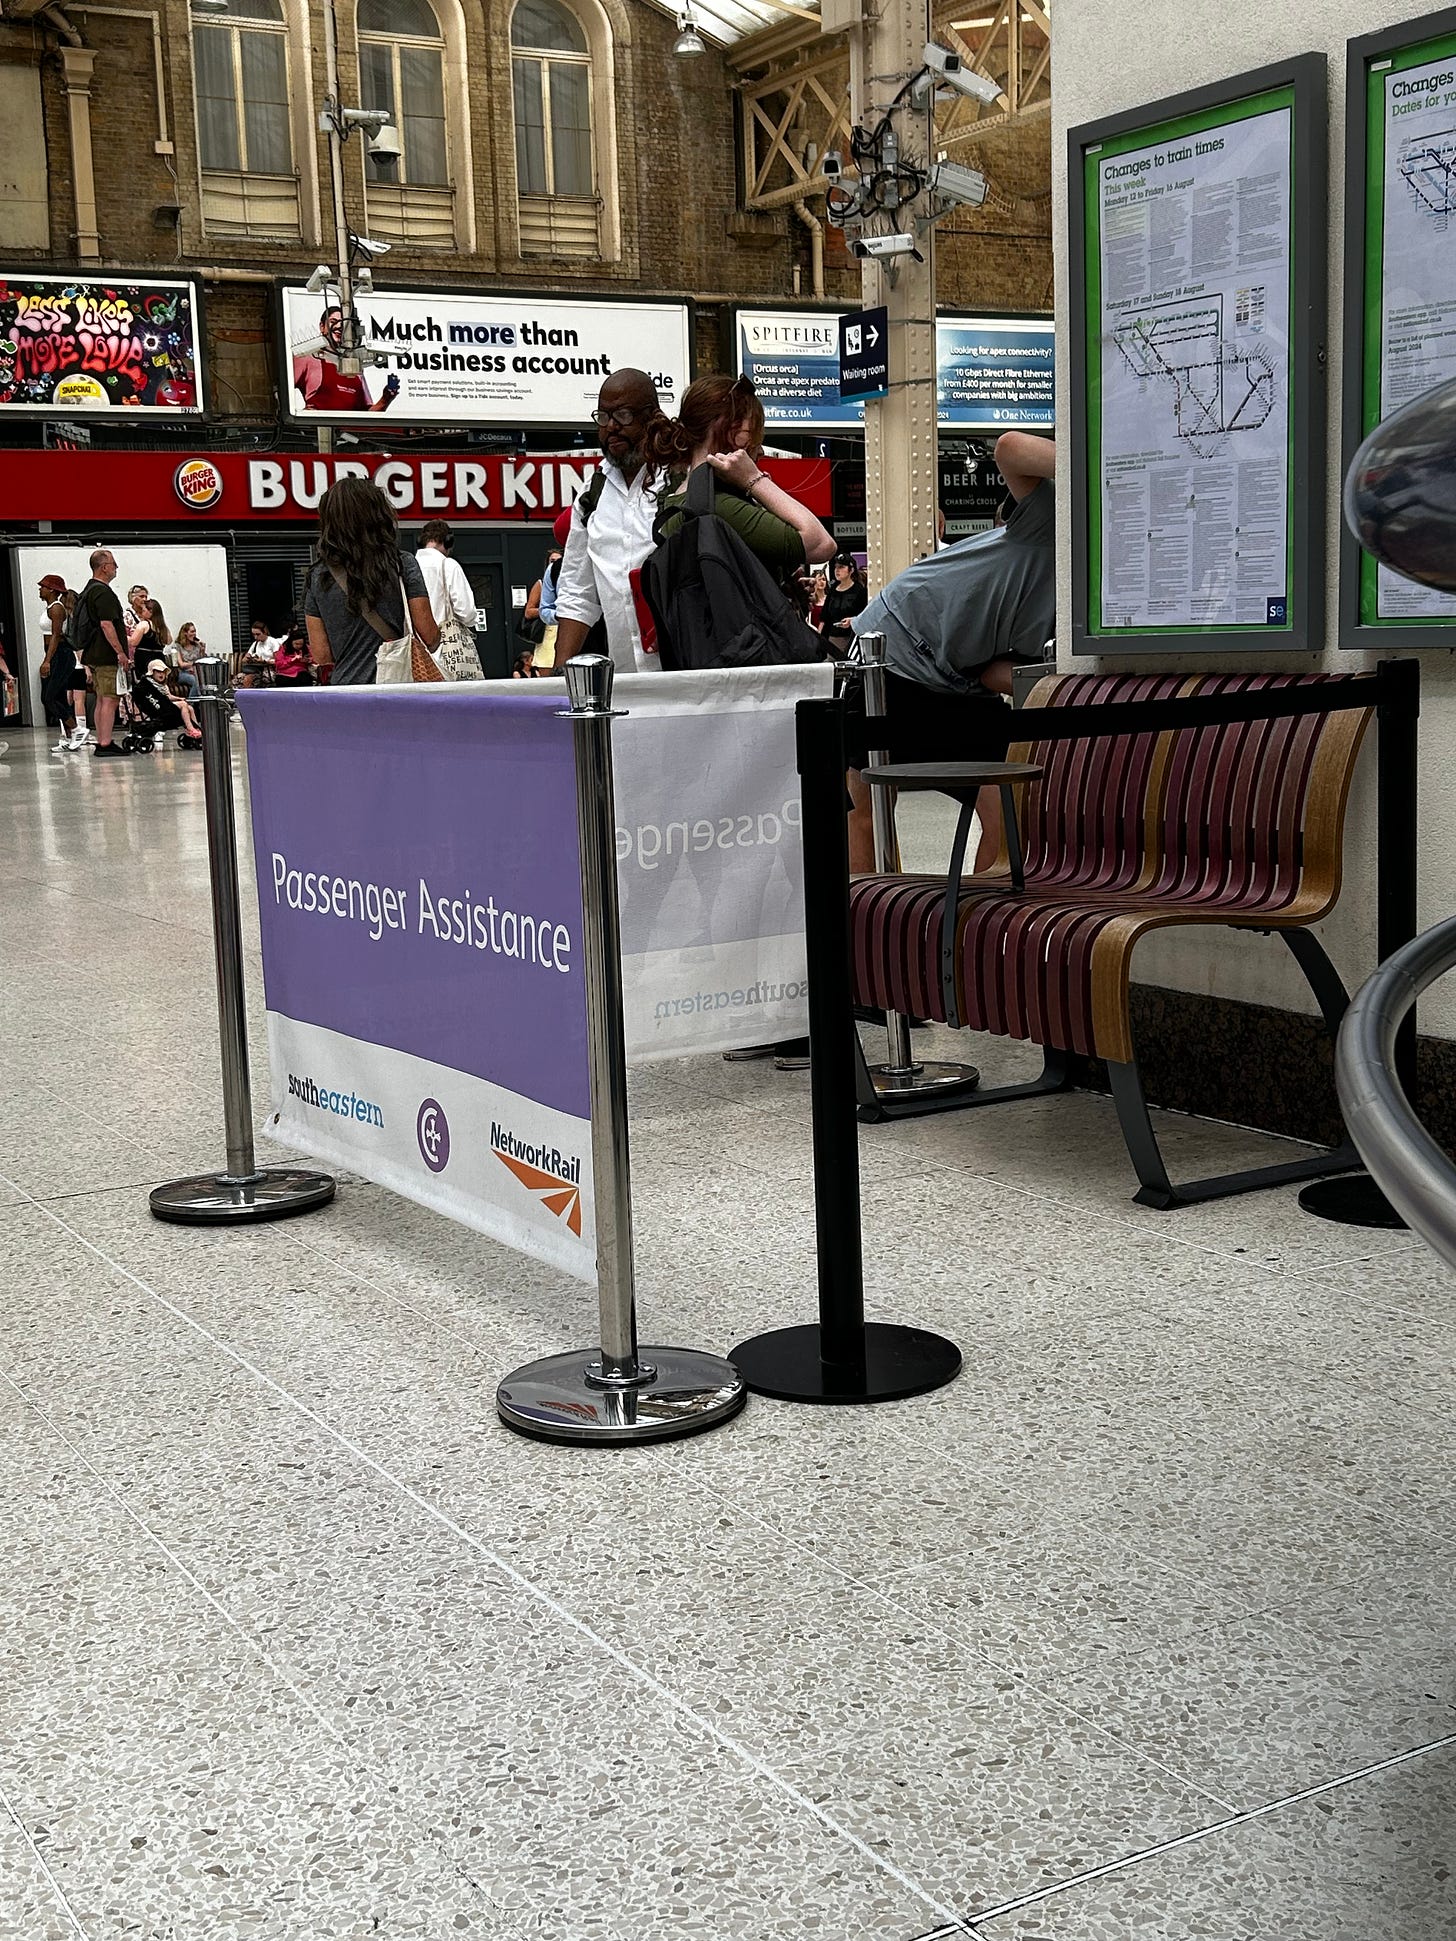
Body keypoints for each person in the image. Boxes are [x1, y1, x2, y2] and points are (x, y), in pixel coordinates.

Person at [852, 430, 1056, 870]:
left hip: (956, 679)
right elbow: (1008, 447)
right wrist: (1097, 473)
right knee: (866, 813)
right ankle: (869, 929)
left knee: (1011, 815)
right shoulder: (1060, 516)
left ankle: (976, 930)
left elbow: (992, 673)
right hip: (892, 645)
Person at [651, 374, 836, 589]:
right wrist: (755, 480)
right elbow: (822, 544)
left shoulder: (678, 496)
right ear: (727, 430)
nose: (759, 448)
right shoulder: (719, 506)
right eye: (751, 434)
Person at [553, 368, 673, 674]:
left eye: (623, 415)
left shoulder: (679, 480)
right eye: (603, 417)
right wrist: (559, 677)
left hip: (687, 677)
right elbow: (577, 593)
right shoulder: (592, 492)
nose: (611, 428)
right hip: (625, 682)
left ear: (653, 417)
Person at [304, 475, 437, 685]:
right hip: (398, 690)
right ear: (379, 515)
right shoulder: (401, 564)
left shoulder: (318, 576)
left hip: (347, 693)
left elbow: (321, 655)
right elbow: (429, 635)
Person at [71, 548, 133, 757]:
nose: (116, 568)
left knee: (100, 699)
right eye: (114, 564)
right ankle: (105, 743)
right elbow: (107, 625)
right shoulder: (103, 592)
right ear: (105, 567)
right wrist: (120, 653)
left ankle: (102, 739)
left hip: (93, 654)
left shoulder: (89, 589)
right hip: (106, 655)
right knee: (110, 698)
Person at [293, 308, 401, 415]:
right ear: (322, 327)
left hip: (349, 431)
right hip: (321, 430)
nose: (339, 327)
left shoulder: (354, 367)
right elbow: (282, 387)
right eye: (333, 322)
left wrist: (386, 398)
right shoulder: (309, 358)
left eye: (344, 325)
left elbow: (368, 414)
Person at [415, 520, 482, 680]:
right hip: (446, 650)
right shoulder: (448, 565)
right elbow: (466, 611)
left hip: (415, 653)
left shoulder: (407, 566)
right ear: (448, 541)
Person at [38, 574, 89, 752]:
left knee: (48, 697)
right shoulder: (50, 607)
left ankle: (77, 729)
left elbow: (56, 636)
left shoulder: (57, 608)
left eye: (43, 586)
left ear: (51, 589)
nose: (40, 589)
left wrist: (47, 661)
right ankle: (67, 737)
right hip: (54, 654)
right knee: (59, 697)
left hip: (60, 654)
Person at [133, 658, 202, 745]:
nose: (161, 674)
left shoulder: (163, 686)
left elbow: (168, 696)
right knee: (183, 705)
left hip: (166, 705)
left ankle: (196, 729)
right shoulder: (149, 686)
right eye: (158, 672)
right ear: (152, 673)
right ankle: (190, 729)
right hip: (161, 709)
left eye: (163, 672)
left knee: (190, 708)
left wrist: (179, 698)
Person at [818, 553, 868, 658]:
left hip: (851, 638)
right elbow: (824, 616)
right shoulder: (832, 590)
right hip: (832, 638)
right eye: (836, 567)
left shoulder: (860, 591)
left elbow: (865, 615)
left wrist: (853, 620)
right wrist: (819, 637)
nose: (837, 570)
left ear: (851, 570)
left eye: (841, 567)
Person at [237, 619, 282, 688]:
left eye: (258, 634)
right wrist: (249, 658)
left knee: (248, 680)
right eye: (253, 634)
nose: (255, 637)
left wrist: (264, 661)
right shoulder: (255, 643)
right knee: (238, 679)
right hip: (256, 669)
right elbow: (244, 659)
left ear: (265, 632)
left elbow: (278, 661)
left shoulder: (273, 642)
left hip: (269, 670)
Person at [172, 621, 203, 700]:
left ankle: (201, 706)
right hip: (184, 673)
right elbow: (181, 664)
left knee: (203, 681)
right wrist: (194, 663)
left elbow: (202, 662)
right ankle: (190, 704)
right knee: (197, 682)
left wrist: (202, 650)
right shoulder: (178, 646)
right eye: (192, 631)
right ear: (185, 633)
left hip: (196, 673)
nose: (194, 634)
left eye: (195, 631)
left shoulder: (197, 646)